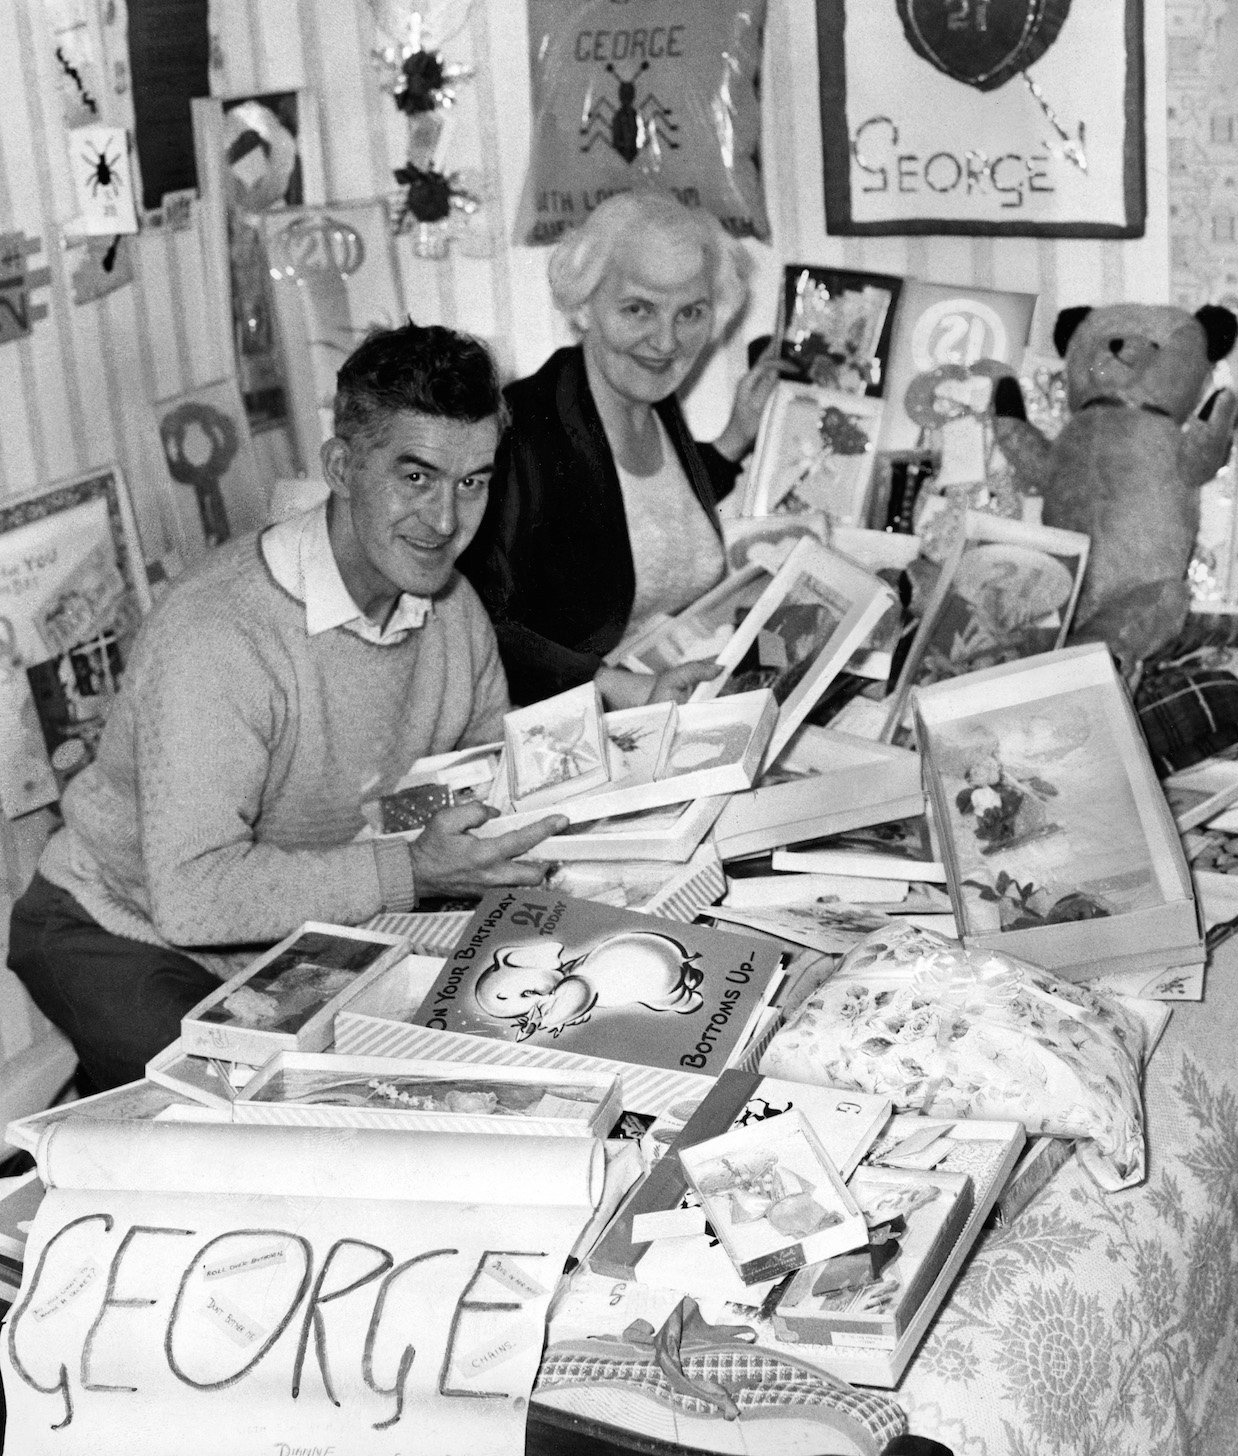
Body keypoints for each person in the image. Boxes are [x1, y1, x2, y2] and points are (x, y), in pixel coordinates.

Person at [7, 324, 565, 1094]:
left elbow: (468, 797)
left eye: (472, 482)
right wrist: (407, 868)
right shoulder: (220, 635)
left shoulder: (453, 610)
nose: (445, 521)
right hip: (118, 926)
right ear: (340, 467)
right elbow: (194, 898)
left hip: (298, 933)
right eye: (415, 477)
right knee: (254, 1108)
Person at [458, 190, 779, 706]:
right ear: (584, 305)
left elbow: (643, 516)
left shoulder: (651, 402)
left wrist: (735, 439)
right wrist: (614, 688)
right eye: (638, 309)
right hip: (566, 725)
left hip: (670, 696)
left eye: (690, 313)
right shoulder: (519, 432)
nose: (666, 341)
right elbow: (470, 618)